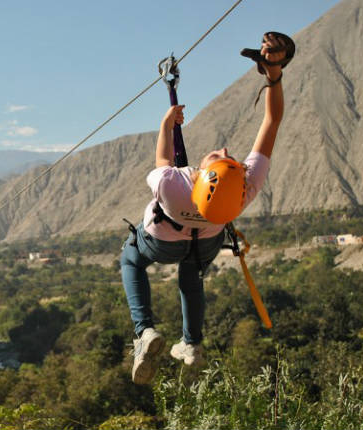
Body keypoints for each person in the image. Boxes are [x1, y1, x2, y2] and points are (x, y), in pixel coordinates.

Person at [120, 33, 287, 385]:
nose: (225, 150)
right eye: (231, 158)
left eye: (219, 157)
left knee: (131, 258)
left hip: (161, 241)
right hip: (203, 243)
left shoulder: (174, 184)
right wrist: (274, 74)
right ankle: (192, 344)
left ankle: (144, 332)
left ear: (202, 174)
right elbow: (271, 122)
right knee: (192, 276)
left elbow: (163, 158)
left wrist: (167, 123)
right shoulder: (245, 190)